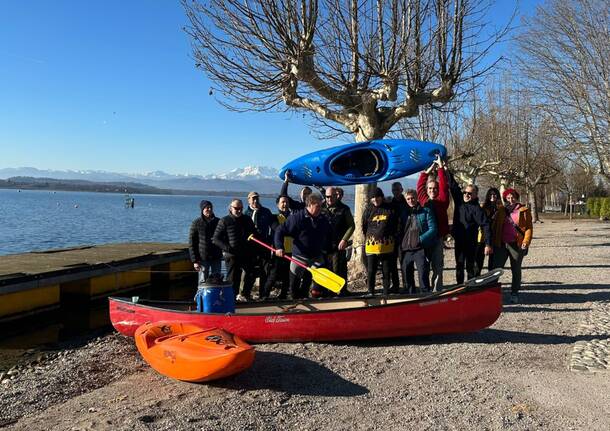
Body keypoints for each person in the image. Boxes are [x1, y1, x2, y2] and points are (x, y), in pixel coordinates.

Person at [274, 194, 332, 299]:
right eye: (318, 206)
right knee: (294, 286)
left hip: (316, 257)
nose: (320, 209)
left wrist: (330, 248)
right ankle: (295, 303)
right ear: (309, 205)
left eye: (321, 206)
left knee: (319, 284)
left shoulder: (323, 219)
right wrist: (279, 247)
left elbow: (330, 234)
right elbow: (280, 231)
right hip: (299, 257)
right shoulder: (297, 218)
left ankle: (315, 301)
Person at [447, 174, 492, 284]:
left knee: (470, 267)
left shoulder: (477, 210)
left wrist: (488, 244)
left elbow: (486, 225)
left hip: (471, 243)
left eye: (470, 193)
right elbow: (453, 186)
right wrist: (445, 169)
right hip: (459, 241)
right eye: (465, 192)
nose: (466, 195)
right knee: (459, 265)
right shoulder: (459, 202)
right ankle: (459, 288)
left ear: (476, 195)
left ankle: (470, 289)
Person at [492, 188, 533, 304]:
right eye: (508, 197)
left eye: (513, 196)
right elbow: (495, 226)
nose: (511, 199)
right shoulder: (501, 210)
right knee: (497, 268)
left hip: (516, 244)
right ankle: (493, 293)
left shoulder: (524, 210)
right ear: (505, 198)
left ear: (516, 197)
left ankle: (514, 293)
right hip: (502, 244)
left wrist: (526, 241)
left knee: (515, 269)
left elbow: (529, 227)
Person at [212, 199, 257, 302]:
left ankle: (245, 295)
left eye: (241, 208)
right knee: (233, 278)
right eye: (236, 208)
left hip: (246, 253)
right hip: (231, 254)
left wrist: (253, 242)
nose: (239, 210)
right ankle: (231, 299)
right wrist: (228, 248)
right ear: (230, 208)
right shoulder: (224, 220)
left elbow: (254, 233)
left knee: (251, 274)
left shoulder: (247, 219)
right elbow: (215, 239)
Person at [416, 155, 450, 291]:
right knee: (424, 267)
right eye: (429, 188)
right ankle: (424, 291)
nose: (432, 190)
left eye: (434, 188)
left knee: (437, 267)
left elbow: (443, 185)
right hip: (425, 239)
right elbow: (419, 187)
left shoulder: (443, 201)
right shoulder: (424, 201)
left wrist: (441, 168)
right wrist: (427, 171)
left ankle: (437, 291)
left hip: (437, 239)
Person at [399, 190, 438, 293]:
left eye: (412, 198)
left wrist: (420, 239)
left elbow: (433, 229)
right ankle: (411, 296)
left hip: (420, 248)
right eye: (408, 199)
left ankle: (425, 296)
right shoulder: (404, 213)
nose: (410, 200)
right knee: (407, 275)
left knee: (423, 274)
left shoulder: (426, 211)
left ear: (417, 198)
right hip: (407, 248)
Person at [362, 188, 399, 296]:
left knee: (386, 270)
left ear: (381, 197)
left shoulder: (390, 209)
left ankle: (386, 292)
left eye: (377, 197)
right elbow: (364, 226)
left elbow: (397, 224)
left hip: (387, 245)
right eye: (373, 197)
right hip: (371, 245)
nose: (375, 199)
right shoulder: (368, 210)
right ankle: (370, 291)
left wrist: (393, 236)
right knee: (371, 270)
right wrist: (370, 237)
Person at [321, 186, 354, 294]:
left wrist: (344, 240)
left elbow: (351, 226)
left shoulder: (344, 209)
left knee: (338, 269)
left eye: (332, 196)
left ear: (337, 196)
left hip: (338, 245)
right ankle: (326, 291)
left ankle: (341, 291)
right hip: (323, 246)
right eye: (327, 197)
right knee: (324, 269)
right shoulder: (320, 207)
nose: (329, 199)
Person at [261, 195, 292, 299]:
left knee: (288, 276)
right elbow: (278, 229)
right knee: (273, 276)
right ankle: (264, 295)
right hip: (278, 251)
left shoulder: (293, 217)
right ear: (278, 205)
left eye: (287, 202)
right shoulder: (274, 217)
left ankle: (283, 296)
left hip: (291, 252)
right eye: (282, 202)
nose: (285, 204)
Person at [244, 191, 274, 298]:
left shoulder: (266, 212)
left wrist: (271, 240)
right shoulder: (245, 214)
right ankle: (246, 295)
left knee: (264, 272)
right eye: (253, 199)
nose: (255, 200)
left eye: (257, 198)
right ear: (249, 200)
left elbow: (273, 226)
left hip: (264, 246)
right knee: (250, 272)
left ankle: (263, 295)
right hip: (251, 248)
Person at [188, 200, 222, 283]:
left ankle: (215, 296)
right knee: (202, 281)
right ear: (202, 209)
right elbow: (192, 243)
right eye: (207, 208)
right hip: (203, 258)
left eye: (211, 207)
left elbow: (223, 238)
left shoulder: (219, 221)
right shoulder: (196, 223)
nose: (209, 209)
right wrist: (195, 261)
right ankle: (201, 296)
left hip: (216, 257)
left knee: (217, 281)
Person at [475, 187, 501, 274]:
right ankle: (476, 281)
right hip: (482, 238)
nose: (492, 196)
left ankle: (490, 282)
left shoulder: (501, 209)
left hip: (495, 238)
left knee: (492, 264)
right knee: (478, 262)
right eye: (490, 194)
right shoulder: (483, 207)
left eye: (494, 194)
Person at [388, 182, 408, 292]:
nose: (396, 191)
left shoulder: (406, 203)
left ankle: (406, 285)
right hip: (392, 238)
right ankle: (395, 285)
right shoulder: (390, 204)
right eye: (394, 190)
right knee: (392, 263)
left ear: (401, 190)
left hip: (404, 237)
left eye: (397, 189)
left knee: (403, 262)